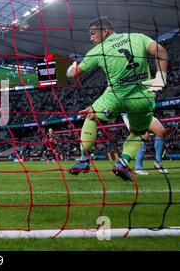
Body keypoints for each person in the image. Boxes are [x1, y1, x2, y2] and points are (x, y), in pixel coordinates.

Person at [66, 17, 169, 181]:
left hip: (116, 96)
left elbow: (74, 74)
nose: (91, 38)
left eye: (93, 34)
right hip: (143, 97)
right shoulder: (137, 37)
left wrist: (71, 68)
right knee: (141, 132)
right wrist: (161, 78)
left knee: (91, 115)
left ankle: (84, 161)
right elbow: (161, 51)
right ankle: (122, 163)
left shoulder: (99, 50)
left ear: (105, 31)